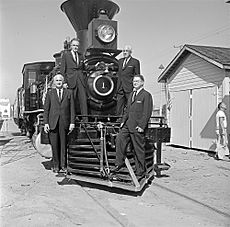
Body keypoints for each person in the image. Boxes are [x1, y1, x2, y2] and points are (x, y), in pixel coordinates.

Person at [112, 74, 153, 180]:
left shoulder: (146, 95)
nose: (135, 83)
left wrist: (142, 126)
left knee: (138, 149)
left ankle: (141, 171)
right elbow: (127, 110)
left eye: (137, 81)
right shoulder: (131, 94)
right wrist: (122, 122)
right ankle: (119, 163)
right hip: (127, 125)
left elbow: (147, 112)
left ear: (142, 83)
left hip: (137, 127)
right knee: (120, 139)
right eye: (134, 81)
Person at [43, 74, 75, 173]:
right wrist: (46, 123)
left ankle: (63, 165)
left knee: (63, 144)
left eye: (60, 80)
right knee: (54, 145)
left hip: (64, 122)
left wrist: (72, 122)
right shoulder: (50, 93)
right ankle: (56, 166)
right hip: (53, 122)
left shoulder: (69, 92)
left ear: (63, 81)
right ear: (54, 82)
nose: (58, 82)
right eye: (57, 80)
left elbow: (72, 109)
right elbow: (46, 109)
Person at [60, 38, 88, 122]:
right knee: (71, 101)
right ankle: (71, 120)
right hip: (70, 80)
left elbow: (84, 68)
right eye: (74, 45)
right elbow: (62, 69)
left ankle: (85, 120)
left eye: (77, 45)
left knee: (83, 100)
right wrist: (64, 82)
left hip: (80, 80)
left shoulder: (81, 55)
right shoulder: (66, 55)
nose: (75, 47)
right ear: (71, 46)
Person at [116, 45, 140, 117]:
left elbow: (137, 75)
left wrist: (135, 87)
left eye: (126, 51)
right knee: (119, 105)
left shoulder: (135, 62)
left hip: (129, 87)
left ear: (130, 52)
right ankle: (119, 119)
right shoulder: (120, 61)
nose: (125, 52)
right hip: (120, 87)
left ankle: (130, 119)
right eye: (123, 51)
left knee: (130, 104)